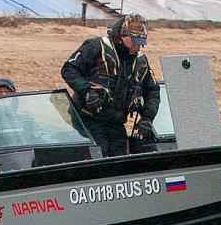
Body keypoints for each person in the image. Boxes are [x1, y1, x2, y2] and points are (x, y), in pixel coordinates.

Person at [61, 14, 160, 157]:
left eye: (141, 42)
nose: (138, 46)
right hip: (87, 119)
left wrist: (147, 118)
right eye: (135, 41)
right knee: (98, 158)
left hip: (116, 123)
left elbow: (153, 91)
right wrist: (88, 92)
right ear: (122, 35)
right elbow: (69, 69)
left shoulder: (141, 61)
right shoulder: (96, 47)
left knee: (120, 161)